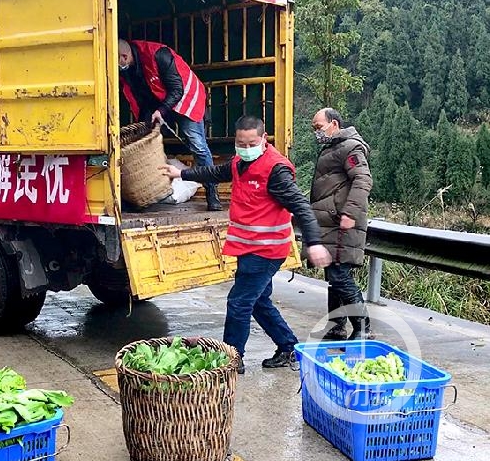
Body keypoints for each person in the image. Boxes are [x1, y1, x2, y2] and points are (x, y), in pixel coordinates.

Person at [161, 116, 331, 373]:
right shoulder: (240, 162)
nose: (246, 146)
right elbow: (214, 172)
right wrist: (181, 172)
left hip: (266, 251)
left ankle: (232, 359)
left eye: (252, 142)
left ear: (264, 139)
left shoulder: (276, 170)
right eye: (241, 142)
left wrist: (314, 242)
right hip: (248, 247)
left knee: (239, 302)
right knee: (259, 301)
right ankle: (288, 347)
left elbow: (301, 208)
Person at [118, 38, 222, 211]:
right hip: (159, 102)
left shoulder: (158, 54)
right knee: (149, 139)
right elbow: (140, 96)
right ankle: (153, 191)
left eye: (118, 62)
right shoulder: (127, 70)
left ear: (124, 56)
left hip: (185, 98)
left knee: (198, 146)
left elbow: (177, 89)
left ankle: (212, 192)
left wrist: (161, 111)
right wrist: (146, 122)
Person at [308, 108, 373, 341]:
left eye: (318, 127)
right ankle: (337, 326)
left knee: (339, 275)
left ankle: (363, 327)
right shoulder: (333, 147)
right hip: (331, 222)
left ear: (333, 124)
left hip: (342, 222)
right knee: (333, 275)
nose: (316, 132)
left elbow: (363, 179)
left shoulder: (350, 147)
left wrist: (349, 212)